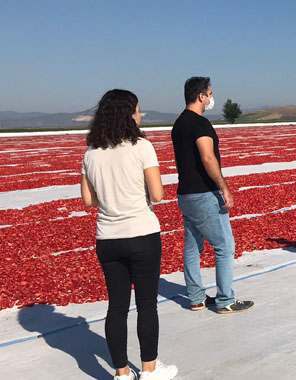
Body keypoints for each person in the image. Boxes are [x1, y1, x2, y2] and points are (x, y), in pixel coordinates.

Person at [81, 89, 178, 380]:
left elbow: (89, 200)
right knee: (146, 304)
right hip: (141, 234)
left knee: (117, 306)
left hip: (107, 238)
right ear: (127, 114)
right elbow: (158, 195)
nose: (140, 115)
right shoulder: (141, 147)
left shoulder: (91, 152)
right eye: (137, 110)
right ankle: (149, 368)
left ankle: (122, 373)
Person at [171, 77, 253, 313]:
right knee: (224, 246)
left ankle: (196, 298)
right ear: (200, 96)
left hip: (185, 194)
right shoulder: (200, 124)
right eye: (209, 93)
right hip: (204, 193)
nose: (211, 97)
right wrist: (224, 187)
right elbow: (208, 157)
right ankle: (225, 300)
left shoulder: (179, 124)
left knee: (192, 246)